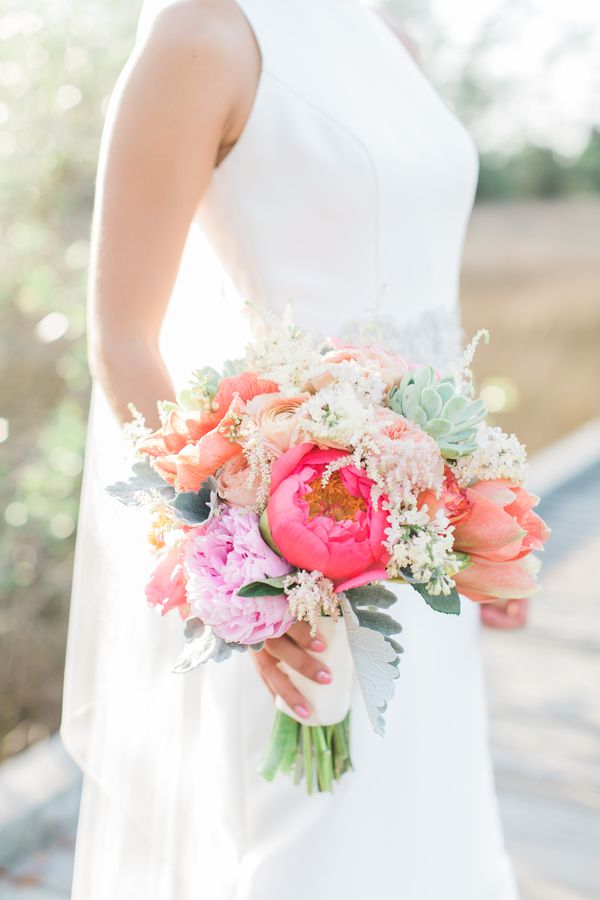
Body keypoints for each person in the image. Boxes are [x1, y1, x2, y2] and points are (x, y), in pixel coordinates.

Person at [61, 0, 527, 897]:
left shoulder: (390, 38)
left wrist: (485, 520)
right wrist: (237, 569)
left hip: (425, 547)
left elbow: (427, 305)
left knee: (429, 835)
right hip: (297, 563)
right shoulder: (203, 33)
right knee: (311, 848)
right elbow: (122, 338)